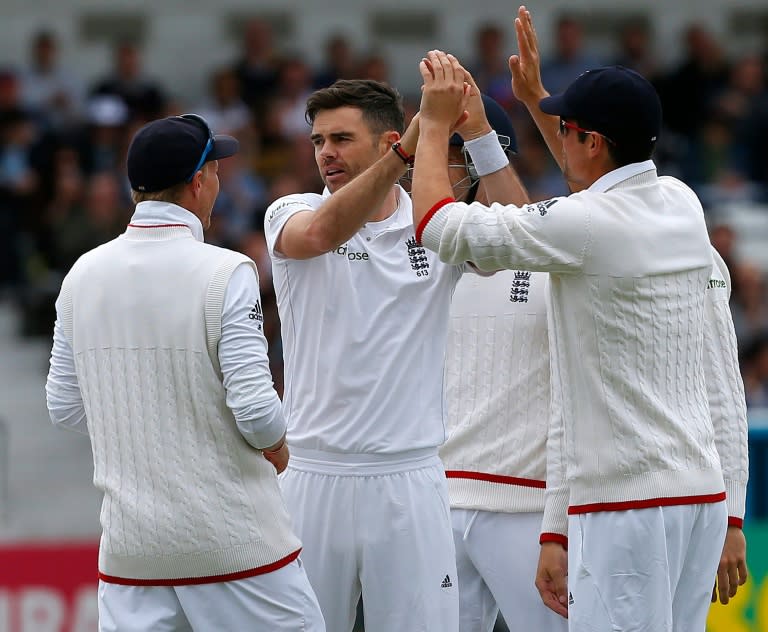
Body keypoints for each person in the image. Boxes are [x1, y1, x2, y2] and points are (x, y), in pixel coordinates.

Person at [410, 14, 743, 629]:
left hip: (626, 506)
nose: (556, 138)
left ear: (590, 140)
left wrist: (433, 129)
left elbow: (437, 227)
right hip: (696, 497)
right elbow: (582, 190)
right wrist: (536, 101)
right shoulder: (681, 202)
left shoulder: (585, 226)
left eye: (566, 129)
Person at [45, 113, 325, 631]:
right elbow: (259, 416)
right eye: (216, 171)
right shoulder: (228, 271)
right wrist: (280, 447)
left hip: (131, 554)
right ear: (199, 182)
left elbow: (64, 408)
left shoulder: (81, 274)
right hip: (236, 546)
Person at [263, 78, 473, 632]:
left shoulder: (434, 222)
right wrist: (409, 150)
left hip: (408, 476)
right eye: (317, 141)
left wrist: (474, 131)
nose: (324, 152)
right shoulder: (292, 209)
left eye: (340, 138)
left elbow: (514, 247)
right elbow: (322, 234)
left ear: (383, 142)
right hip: (312, 475)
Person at [439, 93, 567, 632]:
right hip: (435, 502)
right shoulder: (403, 256)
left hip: (526, 506)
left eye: (444, 152)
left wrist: (480, 137)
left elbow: (513, 231)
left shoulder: (554, 236)